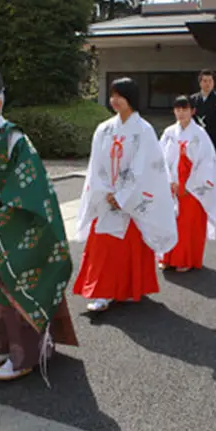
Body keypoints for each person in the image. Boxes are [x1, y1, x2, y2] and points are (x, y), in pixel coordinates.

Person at [0, 62, 77, 382]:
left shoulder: (15, 141)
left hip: (10, 230)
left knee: (12, 291)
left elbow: (31, 191)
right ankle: (0, 346)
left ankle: (27, 354)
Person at [73, 77, 178, 312]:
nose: (115, 100)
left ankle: (130, 287)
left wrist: (122, 195)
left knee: (129, 245)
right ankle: (102, 292)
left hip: (130, 200)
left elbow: (143, 167)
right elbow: (96, 164)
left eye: (120, 95)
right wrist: (106, 191)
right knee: (103, 246)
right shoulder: (104, 129)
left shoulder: (144, 130)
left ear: (131, 98)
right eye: (112, 95)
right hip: (107, 195)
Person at [159, 95, 216, 272]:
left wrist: (188, 184)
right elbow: (159, 159)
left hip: (193, 188)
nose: (181, 113)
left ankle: (186, 259)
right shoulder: (169, 133)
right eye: (178, 109)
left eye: (185, 109)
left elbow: (207, 163)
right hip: (172, 186)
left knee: (187, 225)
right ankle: (167, 257)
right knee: (169, 223)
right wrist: (170, 181)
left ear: (193, 111)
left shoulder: (200, 135)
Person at [190, 69, 216, 161]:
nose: (207, 84)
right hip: (196, 138)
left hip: (214, 138)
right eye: (205, 81)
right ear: (200, 83)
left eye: (210, 81)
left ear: (213, 83)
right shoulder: (193, 99)